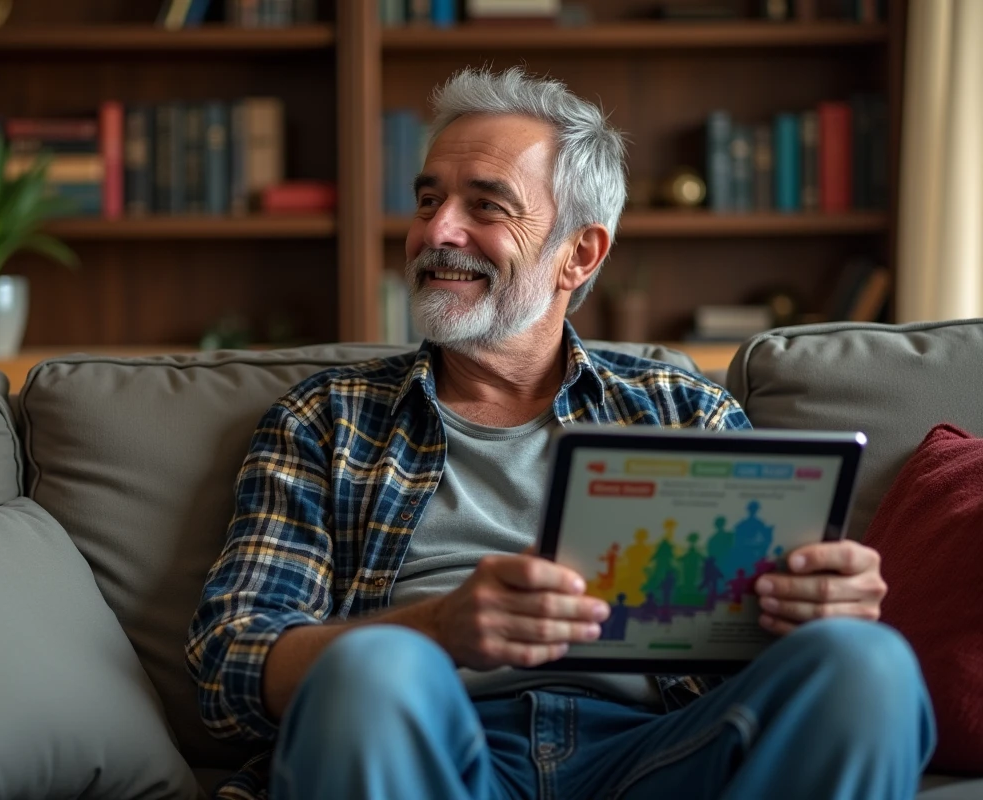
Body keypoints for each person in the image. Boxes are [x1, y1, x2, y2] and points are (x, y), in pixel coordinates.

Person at [185, 67, 932, 800]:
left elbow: (759, 652)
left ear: (580, 253)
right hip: (434, 745)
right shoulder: (328, 420)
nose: (437, 231)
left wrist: (817, 608)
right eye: (427, 200)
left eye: (486, 205)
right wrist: (437, 629)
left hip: (662, 750)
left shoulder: (680, 409)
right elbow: (230, 662)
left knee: (866, 662)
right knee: (376, 668)